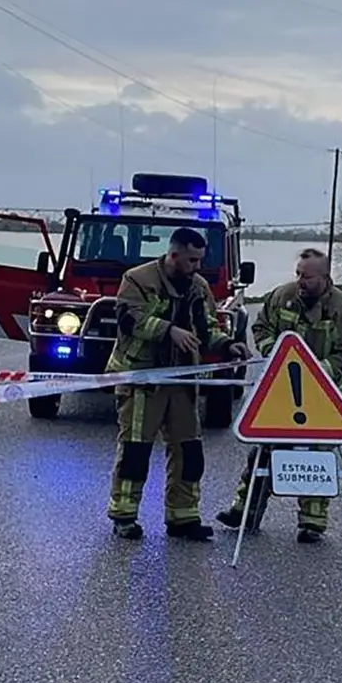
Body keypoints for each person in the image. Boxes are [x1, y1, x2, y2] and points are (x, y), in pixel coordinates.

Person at [105, 226, 252, 541]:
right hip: (143, 378)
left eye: (200, 260)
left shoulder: (198, 287)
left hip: (183, 379)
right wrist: (169, 329)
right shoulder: (137, 279)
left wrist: (228, 345)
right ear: (173, 255)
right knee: (135, 450)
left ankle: (183, 517)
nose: (197, 267)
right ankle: (124, 515)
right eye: (191, 260)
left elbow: (207, 326)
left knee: (189, 450)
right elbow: (130, 319)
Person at [215, 247, 342, 543]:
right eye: (298, 274)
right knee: (263, 452)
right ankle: (245, 511)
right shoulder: (281, 297)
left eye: (307, 277)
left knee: (318, 458)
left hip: (325, 397)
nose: (300, 281)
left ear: (325, 277)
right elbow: (261, 328)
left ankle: (312, 522)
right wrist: (275, 352)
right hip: (282, 391)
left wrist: (319, 371)